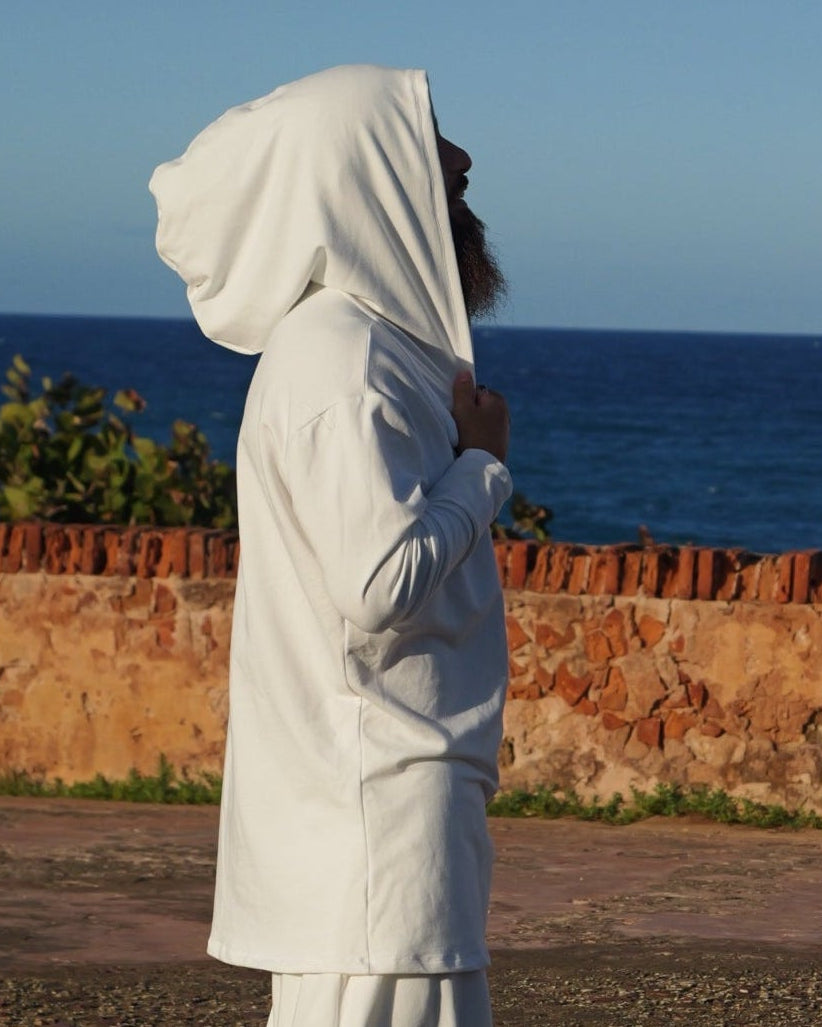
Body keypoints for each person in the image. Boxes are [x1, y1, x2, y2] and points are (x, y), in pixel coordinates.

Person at [150, 63, 511, 1027]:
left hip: (387, 815)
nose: (463, 162)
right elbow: (379, 580)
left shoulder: (369, 349)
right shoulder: (343, 361)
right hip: (374, 815)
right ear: (365, 175)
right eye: (430, 141)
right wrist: (481, 468)